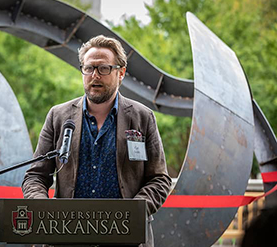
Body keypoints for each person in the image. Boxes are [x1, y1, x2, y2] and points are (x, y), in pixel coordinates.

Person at [22, 35, 172, 247]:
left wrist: (133, 212)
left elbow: (159, 179)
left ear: (120, 73)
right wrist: (44, 211)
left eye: (103, 69)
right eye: (89, 68)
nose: (95, 75)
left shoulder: (142, 117)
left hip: (126, 239)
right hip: (67, 238)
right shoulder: (58, 116)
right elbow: (35, 176)